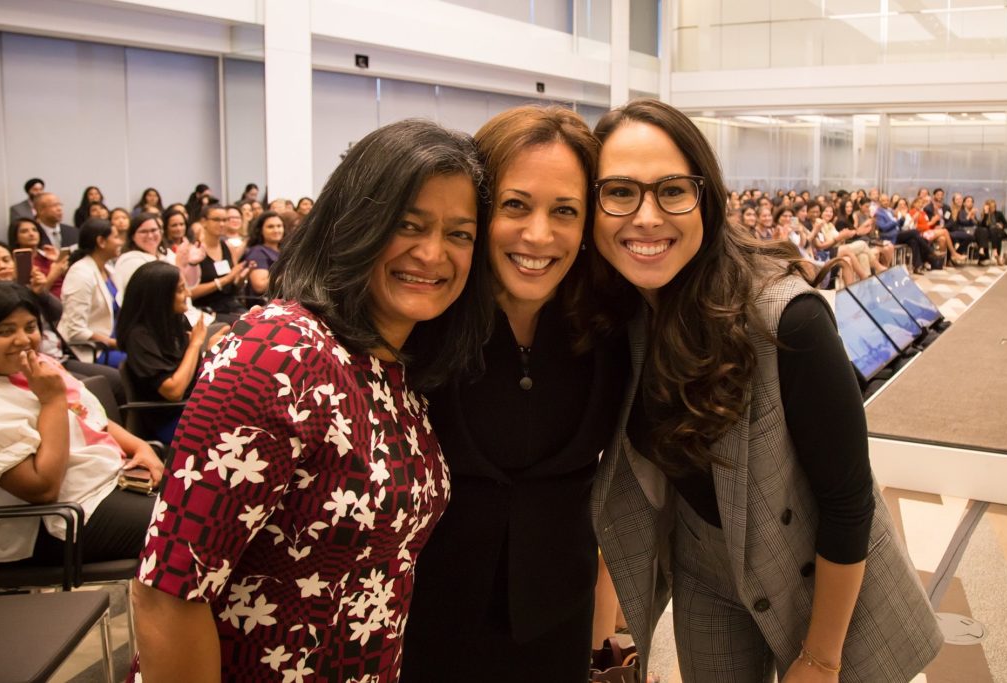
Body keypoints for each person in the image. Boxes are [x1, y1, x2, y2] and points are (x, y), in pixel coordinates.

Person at [589, 99, 942, 682]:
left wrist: (823, 658)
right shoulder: (621, 312)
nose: (646, 216)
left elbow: (848, 499)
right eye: (621, 191)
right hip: (705, 563)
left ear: (707, 197)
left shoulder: (789, 322)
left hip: (816, 567)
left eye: (672, 190)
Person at [130, 118, 491, 683]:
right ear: (354, 223)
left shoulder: (397, 370)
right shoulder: (278, 351)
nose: (432, 253)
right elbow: (169, 591)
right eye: (407, 224)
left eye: (460, 234)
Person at [401, 106, 627, 683]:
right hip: (423, 621)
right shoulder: (420, 324)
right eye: (515, 205)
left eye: (565, 211)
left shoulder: (611, 325)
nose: (538, 234)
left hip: (558, 618)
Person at [0, 282, 162, 566]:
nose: (24, 340)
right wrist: (52, 402)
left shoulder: (40, 365)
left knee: (212, 502)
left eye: (30, 327)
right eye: (5, 332)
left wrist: (140, 447)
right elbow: (43, 489)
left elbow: (89, 416)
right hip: (59, 519)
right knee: (193, 529)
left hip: (106, 480)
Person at [0, 241, 125, 405]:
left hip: (53, 356)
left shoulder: (24, 290)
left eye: (6, 260)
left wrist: (40, 292)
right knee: (87, 390)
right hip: (22, 362)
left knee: (106, 384)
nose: (2, 266)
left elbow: (58, 314)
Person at [116, 261, 228, 443]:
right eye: (180, 290)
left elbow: (191, 370)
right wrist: (195, 345)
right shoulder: (139, 337)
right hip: (171, 417)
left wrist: (210, 351)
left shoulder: (176, 319)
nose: (188, 294)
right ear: (160, 296)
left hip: (194, 405)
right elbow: (174, 391)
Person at [57, 219, 124, 365]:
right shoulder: (81, 274)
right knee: (146, 363)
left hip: (115, 343)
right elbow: (75, 331)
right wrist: (115, 343)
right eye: (116, 237)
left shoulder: (109, 270)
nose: (121, 242)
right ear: (101, 241)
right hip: (95, 350)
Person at [184, 204, 253, 324]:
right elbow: (189, 293)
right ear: (204, 222)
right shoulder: (194, 251)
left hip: (230, 304)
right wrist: (225, 280)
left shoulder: (227, 247)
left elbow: (234, 283)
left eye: (225, 220)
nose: (222, 224)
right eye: (216, 220)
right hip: (205, 309)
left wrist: (240, 278)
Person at [113, 212, 176, 299]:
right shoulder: (128, 261)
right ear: (133, 236)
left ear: (161, 232)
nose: (150, 236)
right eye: (143, 232)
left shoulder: (168, 254)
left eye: (154, 230)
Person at [8, 217, 69, 298]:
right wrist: (53, 274)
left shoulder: (49, 255)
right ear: (16, 238)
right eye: (24, 231)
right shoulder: (17, 263)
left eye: (34, 230)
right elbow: (33, 295)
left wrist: (60, 261)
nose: (31, 234)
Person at [242, 210, 284, 302]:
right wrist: (289, 274)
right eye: (270, 227)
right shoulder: (258, 252)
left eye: (279, 226)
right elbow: (260, 286)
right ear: (260, 230)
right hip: (266, 305)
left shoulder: (284, 250)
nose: (276, 230)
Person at [980, 198, 1007, 266]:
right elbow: (983, 225)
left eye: (994, 206)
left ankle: (995, 251)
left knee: (996, 232)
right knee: (993, 232)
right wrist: (986, 213)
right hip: (991, 234)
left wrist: (1001, 225)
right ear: (988, 207)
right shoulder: (985, 214)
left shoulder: (999, 213)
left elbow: (1006, 224)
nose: (994, 208)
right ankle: (997, 255)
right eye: (992, 207)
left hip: (1000, 232)